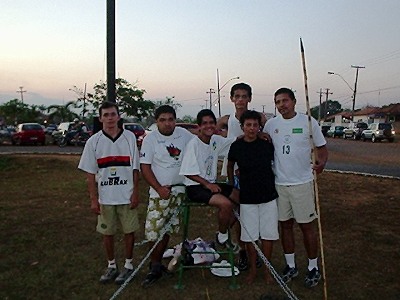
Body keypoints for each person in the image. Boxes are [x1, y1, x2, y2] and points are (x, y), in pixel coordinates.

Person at [263, 87, 328, 288]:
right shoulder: (271, 125)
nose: (282, 105)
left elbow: (322, 148)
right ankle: (291, 265)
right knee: (285, 226)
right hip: (280, 184)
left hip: (302, 183)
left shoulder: (308, 122)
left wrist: (321, 164)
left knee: (306, 226)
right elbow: (261, 143)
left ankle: (312, 267)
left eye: (285, 100)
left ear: (293, 101)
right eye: (278, 102)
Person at [78, 101, 140, 285]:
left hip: (126, 195)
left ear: (118, 116)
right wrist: (93, 199)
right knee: (108, 232)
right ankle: (112, 265)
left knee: (129, 231)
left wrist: (135, 192)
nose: (110, 118)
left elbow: (135, 168)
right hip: (106, 197)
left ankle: (128, 265)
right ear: (100, 118)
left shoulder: (129, 138)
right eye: (106, 115)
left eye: (113, 114)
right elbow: (90, 173)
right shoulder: (93, 141)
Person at [140, 105, 194, 288]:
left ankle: (158, 264)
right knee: (153, 231)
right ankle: (154, 266)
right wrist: (158, 188)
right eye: (162, 120)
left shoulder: (184, 135)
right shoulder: (151, 139)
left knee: (167, 230)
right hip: (159, 194)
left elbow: (202, 139)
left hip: (179, 192)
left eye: (171, 119)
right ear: (156, 121)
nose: (167, 123)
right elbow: (145, 167)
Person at [216, 82, 267, 271]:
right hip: (233, 171)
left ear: (249, 99)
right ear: (231, 98)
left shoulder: (258, 118)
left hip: (254, 171)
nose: (240, 100)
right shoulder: (225, 120)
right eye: (236, 96)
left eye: (244, 96)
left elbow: (265, 137)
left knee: (254, 213)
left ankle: (255, 251)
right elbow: (207, 133)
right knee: (238, 213)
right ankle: (243, 252)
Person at [227, 110, 279, 285]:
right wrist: (233, 184)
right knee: (249, 237)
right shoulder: (237, 146)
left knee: (268, 235)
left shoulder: (267, 145)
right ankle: (253, 270)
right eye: (248, 125)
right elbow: (230, 164)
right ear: (242, 127)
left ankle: (267, 270)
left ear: (259, 127)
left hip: (268, 196)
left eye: (255, 125)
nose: (251, 128)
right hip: (247, 198)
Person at [179, 109, 238, 250]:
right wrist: (207, 184)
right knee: (226, 204)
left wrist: (257, 134)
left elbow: (234, 142)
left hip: (211, 184)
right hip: (196, 187)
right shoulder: (193, 144)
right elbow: (188, 172)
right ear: (198, 126)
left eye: (211, 122)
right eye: (204, 123)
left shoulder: (215, 140)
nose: (209, 126)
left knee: (242, 198)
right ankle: (222, 237)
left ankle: (224, 228)